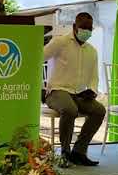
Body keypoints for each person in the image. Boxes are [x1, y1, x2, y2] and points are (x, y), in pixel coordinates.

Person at [44, 12, 106, 166]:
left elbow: (94, 77)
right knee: (70, 109)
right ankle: (65, 152)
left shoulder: (92, 51)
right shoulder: (60, 42)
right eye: (83, 27)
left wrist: (92, 90)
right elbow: (39, 57)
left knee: (99, 110)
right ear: (74, 27)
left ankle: (79, 151)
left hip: (79, 94)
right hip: (57, 91)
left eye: (89, 28)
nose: (87, 31)